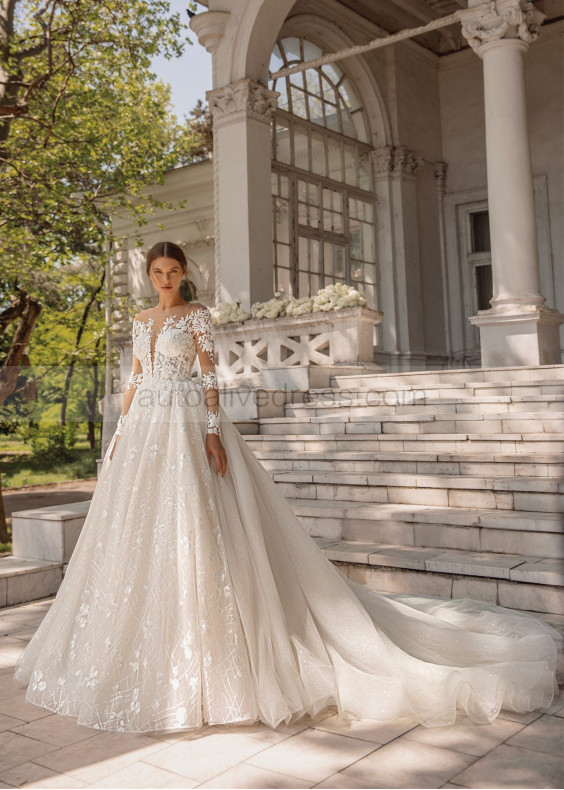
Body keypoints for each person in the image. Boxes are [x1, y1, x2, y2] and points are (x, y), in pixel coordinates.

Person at [13, 241, 560, 734]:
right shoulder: (139, 319)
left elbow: (209, 375)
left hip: (186, 424)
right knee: (141, 536)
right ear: (148, 274)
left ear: (184, 274)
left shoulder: (197, 316)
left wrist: (211, 432)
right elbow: (134, 376)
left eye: (172, 270)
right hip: (145, 431)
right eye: (156, 271)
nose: (164, 278)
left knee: (202, 526)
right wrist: (118, 436)